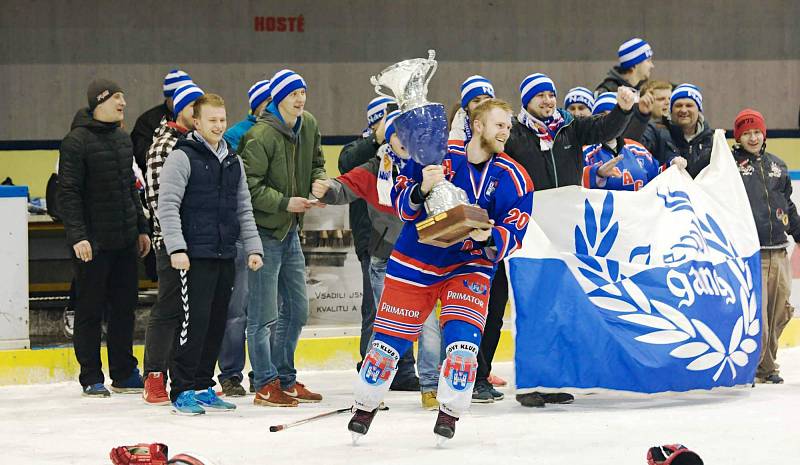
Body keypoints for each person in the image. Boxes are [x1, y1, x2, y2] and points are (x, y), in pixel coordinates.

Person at [347, 98, 534, 442]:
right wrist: (421, 189)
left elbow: (516, 230)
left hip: (470, 265)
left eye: (508, 126)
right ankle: (365, 404)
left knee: (463, 351)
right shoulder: (438, 155)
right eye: (498, 125)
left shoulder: (515, 178)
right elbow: (401, 202)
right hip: (416, 260)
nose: (506, 131)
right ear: (477, 126)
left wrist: (490, 234)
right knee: (385, 349)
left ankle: (449, 413)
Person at [503, 73, 635, 407]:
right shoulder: (514, 134)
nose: (547, 101)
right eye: (540, 96)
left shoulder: (569, 128)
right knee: (533, 308)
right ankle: (529, 383)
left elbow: (604, 129)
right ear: (526, 100)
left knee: (563, 306)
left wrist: (622, 110)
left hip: (566, 229)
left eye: (551, 94)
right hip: (529, 231)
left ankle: (555, 379)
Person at [316, 110, 444, 409]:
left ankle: (430, 387)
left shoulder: (425, 167)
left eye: (407, 134)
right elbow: (345, 186)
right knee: (385, 325)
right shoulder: (375, 169)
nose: (403, 140)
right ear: (389, 137)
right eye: (397, 134)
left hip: (420, 260)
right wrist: (327, 189)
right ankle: (371, 390)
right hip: (384, 257)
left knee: (428, 325)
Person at [157, 93, 264, 414]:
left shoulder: (232, 160)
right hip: (193, 255)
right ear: (198, 122)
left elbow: (243, 207)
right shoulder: (182, 157)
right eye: (212, 120)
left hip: (223, 253)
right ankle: (182, 389)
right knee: (193, 322)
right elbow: (168, 205)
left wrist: (253, 247)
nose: (218, 125)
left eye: (222, 119)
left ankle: (203, 385)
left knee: (217, 321)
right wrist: (176, 247)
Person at [58, 78, 151, 397]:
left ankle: (124, 372)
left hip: (124, 239)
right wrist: (78, 237)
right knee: (90, 308)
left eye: (124, 96)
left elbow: (131, 188)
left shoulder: (123, 139)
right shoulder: (76, 142)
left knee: (125, 307)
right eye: (116, 98)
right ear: (99, 102)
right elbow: (68, 193)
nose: (123, 102)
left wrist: (141, 228)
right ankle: (90, 375)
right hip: (92, 244)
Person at [241, 69, 327, 406]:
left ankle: (285, 378)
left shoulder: (310, 126)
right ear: (278, 98)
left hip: (290, 230)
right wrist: (283, 202)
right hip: (263, 233)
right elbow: (247, 187)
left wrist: (319, 181)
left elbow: (318, 162)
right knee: (262, 315)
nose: (300, 99)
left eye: (303, 92)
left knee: (298, 309)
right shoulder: (260, 136)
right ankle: (264, 382)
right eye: (293, 94)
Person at [338, 98, 426, 394]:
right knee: (375, 309)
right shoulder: (364, 151)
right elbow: (345, 165)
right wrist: (379, 135)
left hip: (403, 242)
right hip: (373, 240)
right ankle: (371, 364)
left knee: (404, 306)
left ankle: (403, 370)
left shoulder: (410, 156)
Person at [141, 82, 204, 405]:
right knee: (168, 307)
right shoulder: (162, 145)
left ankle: (186, 377)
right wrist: (175, 240)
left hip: (199, 242)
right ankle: (154, 375)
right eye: (195, 106)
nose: (199, 112)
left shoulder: (198, 143)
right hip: (170, 241)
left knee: (191, 311)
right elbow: (157, 199)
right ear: (181, 108)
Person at [732, 109, 799, 384]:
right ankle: (750, 367)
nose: (752, 137)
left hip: (780, 251)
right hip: (751, 253)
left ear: (764, 133)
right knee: (756, 314)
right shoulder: (731, 167)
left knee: (780, 311)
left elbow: (788, 206)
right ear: (738, 137)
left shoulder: (778, 166)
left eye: (756, 131)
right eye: (746, 132)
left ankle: (767, 366)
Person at [215, 78, 272, 397]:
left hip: (272, 233)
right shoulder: (237, 135)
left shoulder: (286, 132)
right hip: (243, 233)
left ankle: (265, 373)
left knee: (267, 312)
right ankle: (231, 373)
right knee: (237, 310)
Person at [581, 92, 686, 191]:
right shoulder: (584, 153)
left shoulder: (637, 149)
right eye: (603, 117)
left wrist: (671, 166)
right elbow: (570, 186)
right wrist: (597, 174)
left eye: (614, 116)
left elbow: (655, 177)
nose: (610, 123)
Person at [642, 83, 713, 177]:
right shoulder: (656, 132)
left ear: (699, 110)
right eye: (678, 105)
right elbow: (634, 146)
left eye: (689, 105)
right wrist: (640, 117)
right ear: (671, 110)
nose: (683, 110)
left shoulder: (710, 139)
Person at [131, 69, 193, 173]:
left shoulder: (196, 117)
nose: (183, 101)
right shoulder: (147, 121)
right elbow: (142, 156)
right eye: (178, 96)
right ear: (169, 97)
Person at [223, 79, 271, 152]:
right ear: (257, 104)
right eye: (269, 100)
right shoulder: (234, 134)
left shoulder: (284, 128)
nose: (273, 105)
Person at [449, 75, 496, 142]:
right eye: (476, 101)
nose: (483, 104)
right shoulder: (456, 134)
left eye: (487, 99)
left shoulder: (506, 128)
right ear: (466, 107)